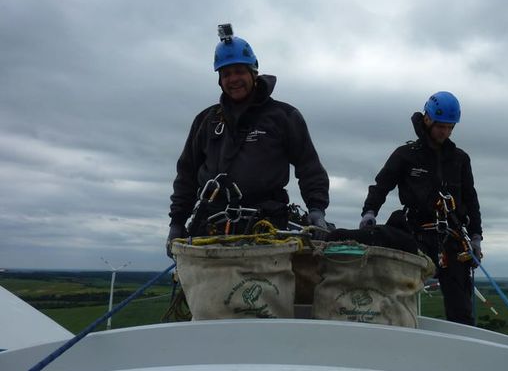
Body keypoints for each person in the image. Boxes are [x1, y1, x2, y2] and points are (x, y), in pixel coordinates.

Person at [167, 24, 329, 253]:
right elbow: (187, 175)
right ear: (219, 79)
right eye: (226, 74)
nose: (233, 79)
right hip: (211, 223)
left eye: (239, 72)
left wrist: (316, 209)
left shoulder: (284, 116)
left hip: (266, 223)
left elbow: (308, 166)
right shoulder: (206, 120)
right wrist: (177, 222)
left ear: (254, 72)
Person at [359, 91, 482, 325]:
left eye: (450, 127)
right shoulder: (406, 155)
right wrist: (369, 212)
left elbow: (470, 198)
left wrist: (476, 236)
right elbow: (381, 185)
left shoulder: (460, 159)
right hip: (415, 233)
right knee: (397, 299)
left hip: (452, 239)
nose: (445, 132)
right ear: (427, 119)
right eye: (440, 127)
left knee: (461, 311)